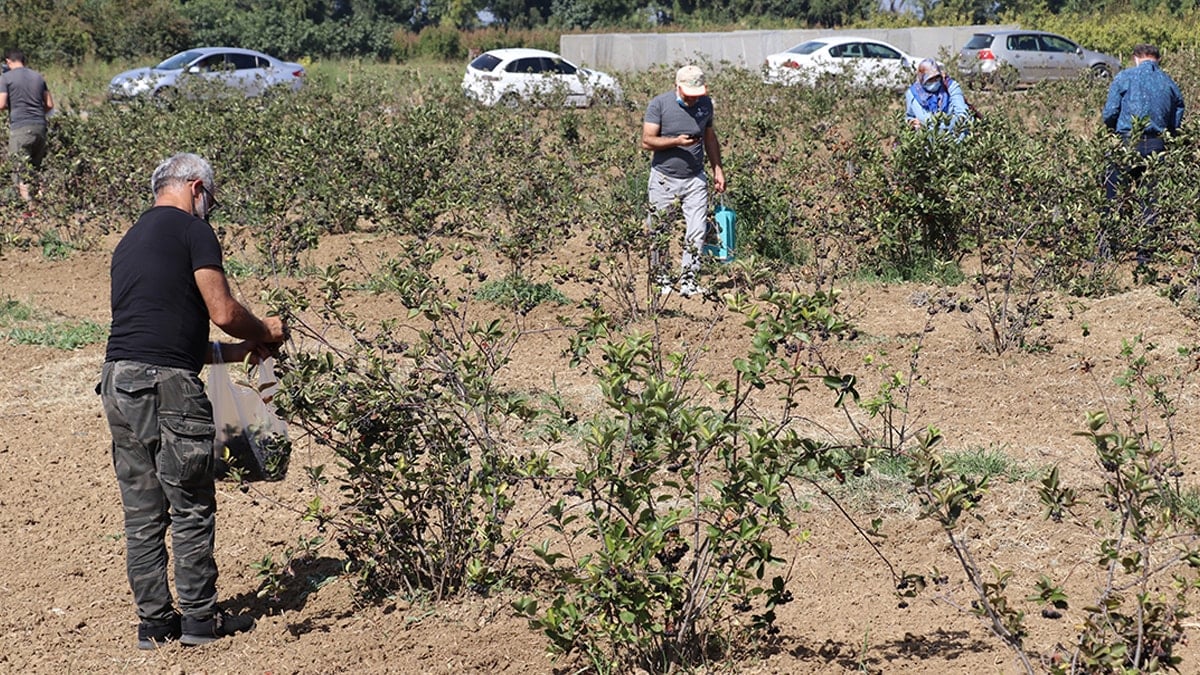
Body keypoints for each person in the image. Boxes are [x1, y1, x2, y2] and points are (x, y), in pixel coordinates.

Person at [99, 153, 286, 649]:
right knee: (191, 503)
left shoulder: (128, 242)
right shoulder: (191, 231)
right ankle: (200, 621)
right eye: (210, 199)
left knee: (142, 511)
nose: (209, 209)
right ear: (196, 188)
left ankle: (154, 626)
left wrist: (238, 352)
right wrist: (265, 330)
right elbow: (223, 311)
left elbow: (163, 337)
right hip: (166, 385)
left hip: (117, 382)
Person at [641, 64, 726, 297]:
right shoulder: (659, 104)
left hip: (695, 178)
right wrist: (676, 141)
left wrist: (717, 168)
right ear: (677, 87)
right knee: (659, 230)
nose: (692, 100)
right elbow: (647, 141)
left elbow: (710, 138)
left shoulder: (706, 105)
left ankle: (689, 280)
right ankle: (661, 278)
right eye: (688, 95)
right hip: (664, 179)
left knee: (697, 230)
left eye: (697, 95)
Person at [1100, 43, 1184, 259]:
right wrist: (1169, 137)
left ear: (1135, 57)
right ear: (1158, 59)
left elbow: (1110, 112)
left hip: (1128, 142)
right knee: (1151, 199)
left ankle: (1106, 250)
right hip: (1157, 145)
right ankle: (1145, 254)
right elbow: (1177, 116)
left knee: (1112, 196)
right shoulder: (1169, 82)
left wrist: (1114, 131)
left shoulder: (1124, 77)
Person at [0, 49, 53, 202]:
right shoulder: (38, 77)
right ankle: (42, 202)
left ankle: (28, 208)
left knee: (18, 169)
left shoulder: (5, 78)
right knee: (37, 167)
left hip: (20, 128)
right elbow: (49, 104)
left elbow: (1, 104)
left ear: (8, 61)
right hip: (40, 126)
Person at [905, 59, 969, 134]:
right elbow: (910, 116)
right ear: (922, 78)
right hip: (925, 140)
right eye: (930, 79)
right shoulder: (913, 93)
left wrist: (938, 127)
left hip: (953, 137)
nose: (935, 81)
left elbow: (963, 116)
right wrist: (912, 123)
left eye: (937, 77)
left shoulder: (950, 87)